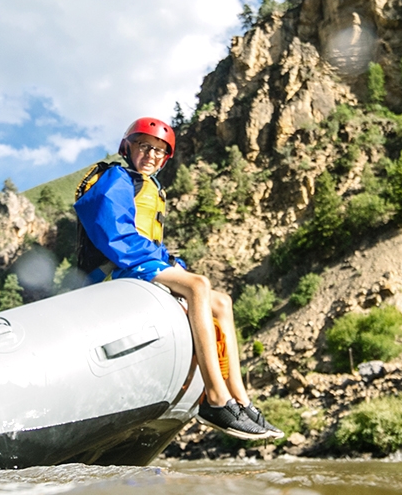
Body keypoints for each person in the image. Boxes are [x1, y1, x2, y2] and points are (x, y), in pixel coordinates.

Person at [74, 117, 282, 440]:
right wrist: (164, 265)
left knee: (222, 303)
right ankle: (215, 398)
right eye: (145, 146)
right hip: (120, 268)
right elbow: (114, 233)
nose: (152, 155)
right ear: (127, 147)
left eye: (159, 151)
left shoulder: (151, 188)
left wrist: (171, 263)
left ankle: (241, 398)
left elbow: (152, 242)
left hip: (140, 262)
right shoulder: (117, 178)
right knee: (198, 286)